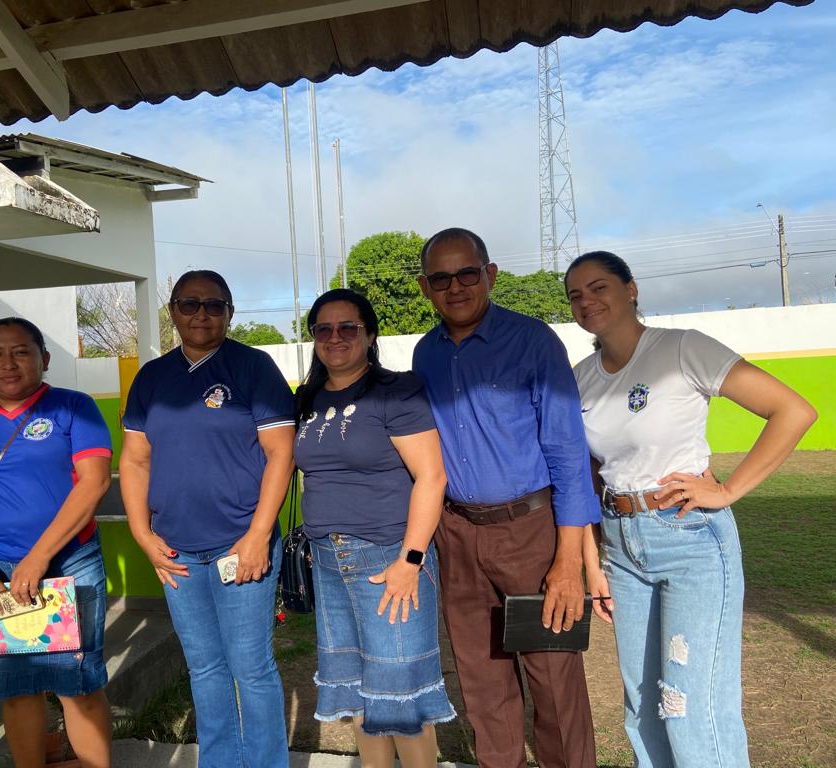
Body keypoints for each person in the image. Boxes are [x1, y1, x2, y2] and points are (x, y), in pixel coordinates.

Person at [565, 251, 817, 768]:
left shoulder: (681, 349)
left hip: (688, 538)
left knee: (687, 707)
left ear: (631, 289)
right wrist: (594, 562)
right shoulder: (580, 378)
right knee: (641, 711)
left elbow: (793, 410)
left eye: (598, 287)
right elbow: (587, 473)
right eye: (575, 295)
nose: (586, 301)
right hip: (620, 545)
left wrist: (728, 491)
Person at [412, 228, 601, 768]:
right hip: (459, 533)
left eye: (468, 273)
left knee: (553, 676)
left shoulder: (533, 341)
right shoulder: (426, 354)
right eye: (441, 278)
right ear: (426, 287)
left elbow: (568, 453)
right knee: (481, 678)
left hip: (531, 532)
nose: (456, 287)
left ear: (490, 275)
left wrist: (568, 562)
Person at [119, 270, 294, 768]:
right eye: (190, 304)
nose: (201, 314)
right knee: (205, 668)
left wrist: (259, 536)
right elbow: (134, 460)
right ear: (172, 310)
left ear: (230, 312)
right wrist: (142, 534)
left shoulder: (253, 368)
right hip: (175, 552)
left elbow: (280, 454)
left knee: (250, 667)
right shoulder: (152, 377)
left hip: (240, 545)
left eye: (214, 305)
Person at [0, 317, 113, 768]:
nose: (8, 363)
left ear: (44, 359)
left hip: (69, 563)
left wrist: (39, 557)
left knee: (78, 683)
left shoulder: (74, 407)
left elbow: (93, 482)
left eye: (21, 351)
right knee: (16, 686)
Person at [293, 289, 455, 767]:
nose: (335, 337)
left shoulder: (396, 391)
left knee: (401, 698)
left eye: (348, 328)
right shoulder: (307, 399)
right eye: (324, 329)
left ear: (370, 334)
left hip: (387, 558)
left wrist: (411, 559)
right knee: (362, 695)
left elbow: (432, 477)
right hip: (327, 560)